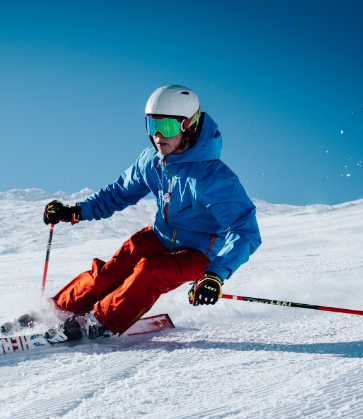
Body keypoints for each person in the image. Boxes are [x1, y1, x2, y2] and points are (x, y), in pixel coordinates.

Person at [41, 85, 262, 341]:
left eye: (166, 127)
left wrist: (215, 275)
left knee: (151, 270)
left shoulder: (213, 178)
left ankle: (99, 322)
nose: (157, 135)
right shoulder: (152, 160)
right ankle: (54, 311)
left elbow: (244, 231)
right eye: (151, 125)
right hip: (159, 236)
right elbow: (117, 193)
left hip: (199, 253)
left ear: (188, 126)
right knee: (108, 275)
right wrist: (76, 211)